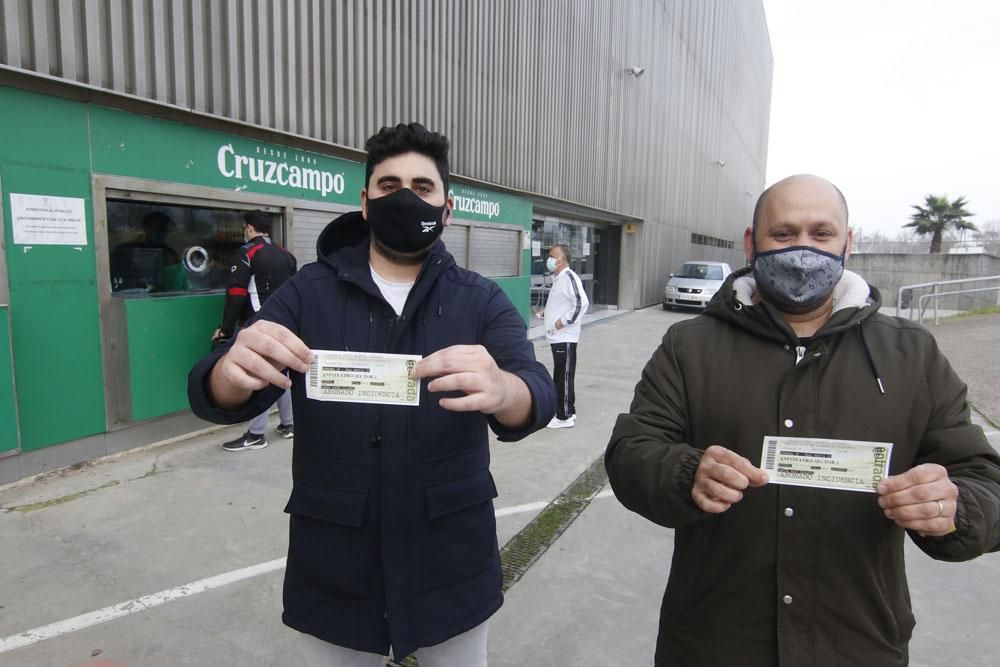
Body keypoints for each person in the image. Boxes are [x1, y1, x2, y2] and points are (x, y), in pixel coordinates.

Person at [188, 123, 555, 664]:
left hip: (449, 563)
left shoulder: (481, 301)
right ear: (364, 203)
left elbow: (538, 393)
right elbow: (218, 386)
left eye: (422, 187)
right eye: (388, 185)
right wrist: (228, 376)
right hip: (337, 562)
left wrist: (505, 389)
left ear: (447, 208)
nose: (405, 198)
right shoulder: (308, 293)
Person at [605, 174, 1000, 665]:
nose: (802, 250)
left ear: (847, 243)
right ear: (752, 243)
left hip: (859, 643)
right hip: (714, 642)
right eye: (784, 234)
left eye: (821, 233)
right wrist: (686, 474)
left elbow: (985, 479)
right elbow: (631, 453)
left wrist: (955, 509)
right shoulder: (690, 346)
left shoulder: (910, 353)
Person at [213, 210, 298, 451]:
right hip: (286, 325)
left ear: (249, 228)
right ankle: (289, 425)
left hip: (257, 326)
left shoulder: (247, 252)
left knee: (258, 376)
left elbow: (236, 294)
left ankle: (256, 434)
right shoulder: (286, 255)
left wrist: (225, 329)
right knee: (281, 374)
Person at [539, 244, 588, 428]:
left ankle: (564, 416)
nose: (549, 259)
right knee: (562, 375)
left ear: (562, 260)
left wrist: (562, 322)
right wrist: (548, 312)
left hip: (564, 337)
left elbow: (581, 303)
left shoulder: (568, 277)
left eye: (552, 256)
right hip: (557, 337)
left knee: (563, 376)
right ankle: (569, 410)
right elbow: (562, 302)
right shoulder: (558, 278)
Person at [109, 211, 186, 293]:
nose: (162, 234)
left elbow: (177, 283)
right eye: (158, 229)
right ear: (146, 228)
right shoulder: (124, 251)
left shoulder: (170, 254)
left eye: (165, 230)